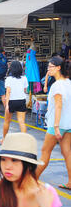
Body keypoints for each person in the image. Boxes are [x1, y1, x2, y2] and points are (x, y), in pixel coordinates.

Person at [0, 133, 62, 207]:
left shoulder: (47, 193)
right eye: (3, 159)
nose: (7, 167)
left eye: (14, 160)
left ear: (29, 165)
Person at [36, 57, 71, 190]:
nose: (48, 69)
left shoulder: (57, 85)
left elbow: (58, 105)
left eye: (50, 67)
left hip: (57, 125)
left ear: (58, 68)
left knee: (45, 151)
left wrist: (56, 126)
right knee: (67, 153)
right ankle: (70, 182)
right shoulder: (68, 83)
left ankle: (32, 179)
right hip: (68, 124)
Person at [2, 61, 29, 142]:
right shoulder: (24, 78)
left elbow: (8, 91)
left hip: (11, 101)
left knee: (7, 121)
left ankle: (4, 139)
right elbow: (25, 90)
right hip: (21, 100)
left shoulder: (9, 79)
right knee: (21, 122)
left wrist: (6, 105)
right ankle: (24, 141)